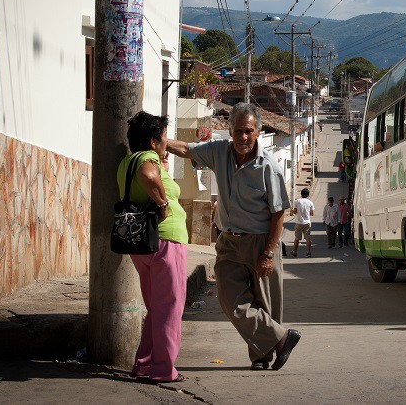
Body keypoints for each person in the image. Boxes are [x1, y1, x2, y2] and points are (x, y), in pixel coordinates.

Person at [166, 103, 301, 371]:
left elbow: (278, 214)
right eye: (238, 131)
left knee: (264, 301)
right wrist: (158, 140)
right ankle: (282, 338)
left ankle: (261, 357)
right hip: (228, 241)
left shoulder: (268, 167)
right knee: (230, 299)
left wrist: (268, 253)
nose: (242, 137)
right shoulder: (218, 153)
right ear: (229, 132)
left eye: (248, 131)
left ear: (258, 132)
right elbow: (186, 149)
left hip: (260, 241)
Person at [119, 111, 188, 383]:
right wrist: (163, 205)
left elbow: (148, 175)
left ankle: (145, 364)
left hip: (141, 244)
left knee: (156, 309)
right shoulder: (147, 160)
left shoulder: (128, 161)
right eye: (162, 138)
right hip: (165, 241)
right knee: (170, 308)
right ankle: (163, 370)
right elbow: (149, 174)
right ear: (152, 141)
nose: (166, 143)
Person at [291, 188, 315, 258]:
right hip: (307, 222)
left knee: (297, 238)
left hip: (299, 222)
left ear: (301, 194)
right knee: (308, 238)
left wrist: (291, 211)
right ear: (308, 195)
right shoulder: (310, 202)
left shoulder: (297, 201)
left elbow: (295, 212)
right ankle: (308, 252)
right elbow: (312, 213)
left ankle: (294, 252)